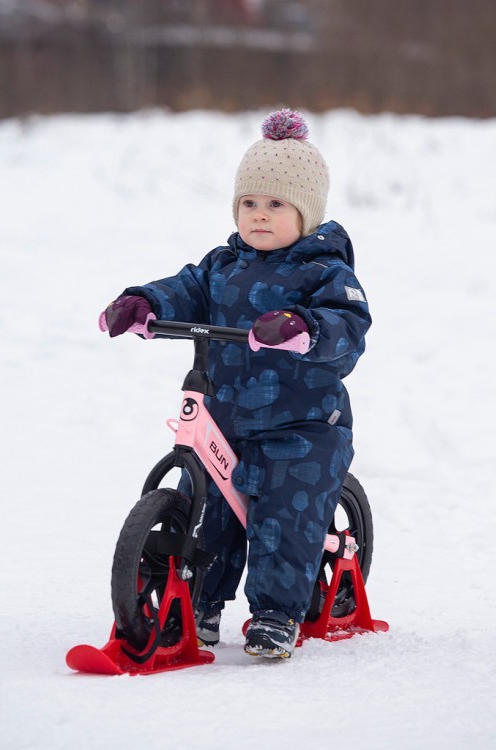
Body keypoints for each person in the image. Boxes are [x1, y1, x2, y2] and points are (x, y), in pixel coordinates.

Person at [101, 109, 371, 659]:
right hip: (228, 419)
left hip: (301, 427)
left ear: (306, 211)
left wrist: (302, 328)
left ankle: (276, 613)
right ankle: (196, 602)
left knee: (282, 516)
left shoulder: (324, 272)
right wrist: (145, 303)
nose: (260, 216)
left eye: (276, 204)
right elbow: (185, 288)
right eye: (250, 203)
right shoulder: (223, 265)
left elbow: (349, 325)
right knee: (209, 510)